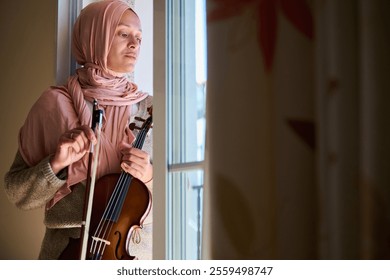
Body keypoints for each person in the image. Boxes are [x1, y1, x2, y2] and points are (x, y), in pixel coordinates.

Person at [3, 0, 153, 260]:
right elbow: (18, 195)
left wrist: (149, 177)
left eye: (139, 37)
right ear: (95, 36)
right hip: (67, 253)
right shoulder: (55, 104)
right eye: (123, 33)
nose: (134, 44)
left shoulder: (150, 109)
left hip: (133, 252)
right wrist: (56, 165)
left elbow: (181, 201)